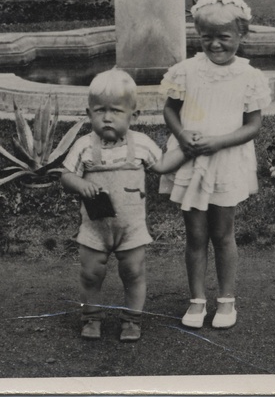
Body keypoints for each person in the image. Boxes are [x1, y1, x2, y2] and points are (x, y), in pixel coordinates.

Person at [159, 0, 272, 330]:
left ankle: (226, 300)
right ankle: (196, 300)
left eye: (224, 37)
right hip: (192, 160)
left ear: (242, 35)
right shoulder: (186, 71)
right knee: (194, 235)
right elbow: (170, 109)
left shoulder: (249, 76)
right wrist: (182, 137)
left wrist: (218, 142)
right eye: (206, 37)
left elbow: (253, 125)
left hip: (225, 161)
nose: (215, 45)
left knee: (223, 234)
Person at [60, 69, 183, 342]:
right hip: (94, 229)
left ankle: (131, 320)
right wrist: (80, 185)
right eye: (99, 110)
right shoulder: (83, 146)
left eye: (115, 111)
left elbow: (162, 166)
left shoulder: (141, 145)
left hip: (131, 228)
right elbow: (66, 176)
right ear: (88, 113)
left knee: (133, 272)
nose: (106, 117)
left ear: (133, 116)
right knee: (91, 273)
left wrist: (186, 150)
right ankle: (91, 317)